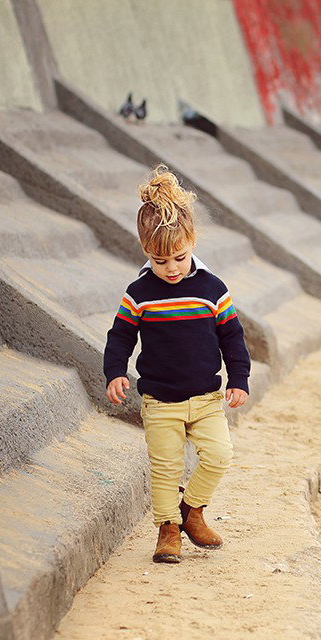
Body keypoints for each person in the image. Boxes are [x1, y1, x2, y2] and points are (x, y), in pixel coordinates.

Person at [103, 165, 250, 564]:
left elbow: (232, 337)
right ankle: (168, 530)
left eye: (179, 258)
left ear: (192, 242)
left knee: (219, 455)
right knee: (165, 469)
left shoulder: (212, 289)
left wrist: (239, 378)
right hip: (160, 402)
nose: (171, 268)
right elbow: (120, 336)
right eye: (159, 259)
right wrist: (115, 372)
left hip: (205, 399)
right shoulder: (139, 293)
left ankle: (192, 510)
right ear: (145, 251)